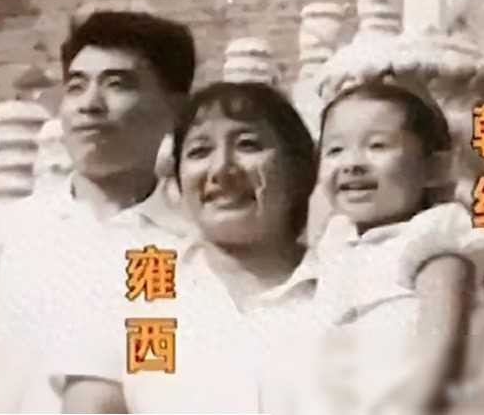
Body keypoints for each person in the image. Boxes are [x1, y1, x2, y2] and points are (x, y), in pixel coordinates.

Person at [0, 10, 196, 413]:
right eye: (76, 86)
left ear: (177, 109)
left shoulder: (201, 245)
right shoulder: (0, 236)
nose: (89, 104)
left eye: (117, 84)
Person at [53, 81, 321, 413]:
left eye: (247, 145)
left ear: (299, 169)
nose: (221, 169)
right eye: (199, 151)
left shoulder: (345, 292)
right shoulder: (133, 293)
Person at [270, 77, 484, 415]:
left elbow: (442, 352)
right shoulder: (338, 244)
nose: (351, 163)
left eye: (377, 146)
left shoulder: (433, 239)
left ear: (435, 168)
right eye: (335, 150)